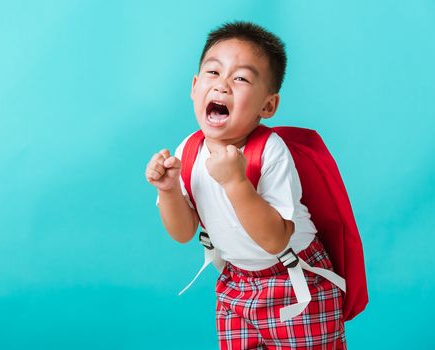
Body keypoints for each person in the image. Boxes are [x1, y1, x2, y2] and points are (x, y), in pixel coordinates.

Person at [145, 21, 346, 349]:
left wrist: (236, 181)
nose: (222, 85)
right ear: (195, 87)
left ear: (267, 106)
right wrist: (167, 190)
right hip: (237, 283)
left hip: (294, 281)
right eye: (213, 73)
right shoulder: (190, 151)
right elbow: (183, 233)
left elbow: (275, 239)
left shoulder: (270, 151)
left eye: (240, 78)